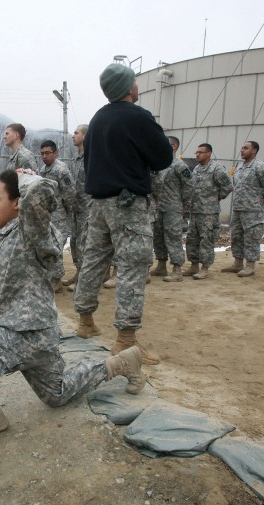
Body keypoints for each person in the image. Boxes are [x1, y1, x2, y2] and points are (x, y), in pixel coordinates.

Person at [0, 170, 147, 438]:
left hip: (22, 333)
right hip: (38, 333)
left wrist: (23, 178)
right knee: (57, 395)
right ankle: (121, 363)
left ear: (17, 203)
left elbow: (41, 192)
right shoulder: (9, 232)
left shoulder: (31, 230)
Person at [72, 63, 173, 363]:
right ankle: (126, 340)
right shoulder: (138, 117)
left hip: (98, 205)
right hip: (128, 206)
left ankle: (85, 322)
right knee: (132, 268)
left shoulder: (97, 119)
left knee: (93, 263)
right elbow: (163, 157)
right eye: (135, 83)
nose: (138, 87)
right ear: (129, 88)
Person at [221, 141, 264, 277]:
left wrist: (259, 201)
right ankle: (237, 263)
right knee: (236, 237)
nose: (242, 150)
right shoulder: (240, 166)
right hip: (238, 208)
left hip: (253, 210)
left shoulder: (260, 167)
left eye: (246, 148)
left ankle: (250, 265)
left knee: (251, 238)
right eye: (242, 148)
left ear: (254, 151)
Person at [184, 143, 233, 280]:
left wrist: (216, 198)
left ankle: (204, 268)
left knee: (206, 240)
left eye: (201, 152)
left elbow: (228, 186)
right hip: (195, 212)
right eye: (196, 152)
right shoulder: (197, 169)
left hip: (209, 213)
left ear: (209, 153)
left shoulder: (216, 169)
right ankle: (194, 266)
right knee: (192, 239)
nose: (197, 155)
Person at [150, 136, 193, 282]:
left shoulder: (180, 165)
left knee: (173, 238)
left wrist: (183, 204)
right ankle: (161, 266)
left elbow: (189, 186)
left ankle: (177, 269)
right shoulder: (159, 164)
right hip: (158, 207)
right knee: (158, 237)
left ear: (173, 147)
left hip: (173, 208)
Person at [38, 139, 76, 292]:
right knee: (48, 247)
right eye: (42, 154)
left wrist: (66, 208)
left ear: (56, 153)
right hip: (47, 216)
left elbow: (70, 192)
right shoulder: (43, 170)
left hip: (59, 215)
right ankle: (51, 276)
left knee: (56, 247)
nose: (44, 156)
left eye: (48, 153)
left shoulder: (61, 169)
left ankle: (56, 280)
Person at [63, 124, 91, 288]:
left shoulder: (91, 157)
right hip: (77, 207)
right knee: (74, 241)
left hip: (87, 207)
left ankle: (85, 278)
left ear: (85, 136)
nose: (73, 136)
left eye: (76, 133)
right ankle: (79, 272)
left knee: (84, 243)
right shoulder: (78, 158)